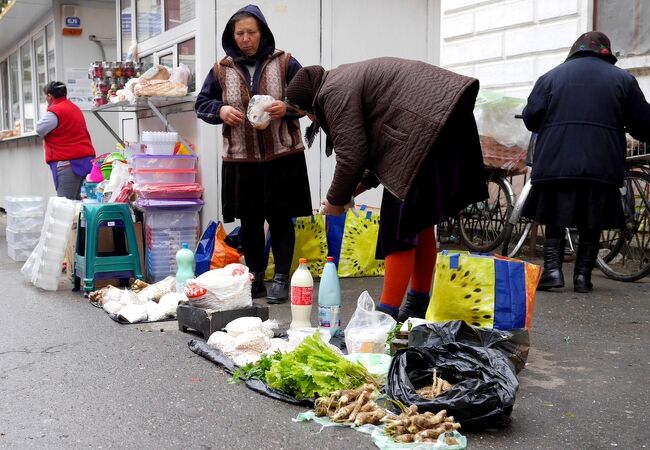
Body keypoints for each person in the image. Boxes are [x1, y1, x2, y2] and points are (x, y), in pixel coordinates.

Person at [285, 58, 488, 321]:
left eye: (307, 114)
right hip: (444, 117)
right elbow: (374, 149)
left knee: (398, 226)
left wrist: (335, 201)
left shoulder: (332, 92)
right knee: (418, 220)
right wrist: (353, 191)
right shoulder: (342, 79)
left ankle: (386, 314)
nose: (311, 119)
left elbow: (352, 155)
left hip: (426, 126)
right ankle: (417, 303)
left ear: (309, 102)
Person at [195, 5, 311, 303]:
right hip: (241, 159)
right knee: (249, 221)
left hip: (282, 156)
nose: (246, 38)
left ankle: (282, 277)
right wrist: (220, 109)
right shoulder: (221, 69)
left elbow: (310, 98)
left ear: (263, 33)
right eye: (240, 33)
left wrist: (287, 108)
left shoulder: (285, 62)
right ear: (232, 36)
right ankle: (256, 276)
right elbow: (202, 103)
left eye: (252, 32)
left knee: (281, 218)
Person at [522, 31, 650, 293]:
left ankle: (554, 272)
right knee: (592, 218)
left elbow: (531, 119)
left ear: (575, 50)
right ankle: (582, 278)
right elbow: (642, 124)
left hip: (556, 159)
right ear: (606, 51)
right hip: (600, 162)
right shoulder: (623, 80)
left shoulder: (550, 77)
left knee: (554, 215)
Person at [35, 81, 96, 200]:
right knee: (79, 203)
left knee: (65, 205)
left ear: (49, 96)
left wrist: (50, 108)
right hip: (85, 160)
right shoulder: (74, 108)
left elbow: (40, 129)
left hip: (68, 163)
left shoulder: (56, 111)